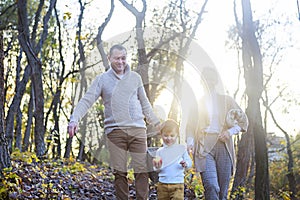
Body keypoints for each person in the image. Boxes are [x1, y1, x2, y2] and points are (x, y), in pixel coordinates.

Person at [67, 44, 161, 200]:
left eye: (123, 58)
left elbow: (145, 104)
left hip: (138, 129)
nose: (121, 62)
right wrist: (74, 119)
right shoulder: (102, 80)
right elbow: (87, 100)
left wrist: (157, 123)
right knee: (119, 172)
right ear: (109, 58)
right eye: (117, 58)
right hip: (115, 132)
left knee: (142, 170)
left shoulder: (135, 78)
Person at [186, 67, 248, 200]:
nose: (208, 82)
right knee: (212, 186)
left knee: (222, 192)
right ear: (201, 82)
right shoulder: (197, 104)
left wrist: (230, 132)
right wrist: (190, 143)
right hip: (204, 147)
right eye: (205, 79)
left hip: (224, 146)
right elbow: (190, 126)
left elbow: (243, 121)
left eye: (211, 79)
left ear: (215, 81)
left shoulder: (227, 101)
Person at [153, 119, 192, 200]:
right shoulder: (160, 151)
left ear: (177, 135)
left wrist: (186, 164)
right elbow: (155, 169)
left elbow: (189, 162)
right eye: (166, 135)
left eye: (172, 135)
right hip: (162, 184)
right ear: (161, 135)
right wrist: (158, 166)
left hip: (177, 184)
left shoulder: (181, 149)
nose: (169, 138)